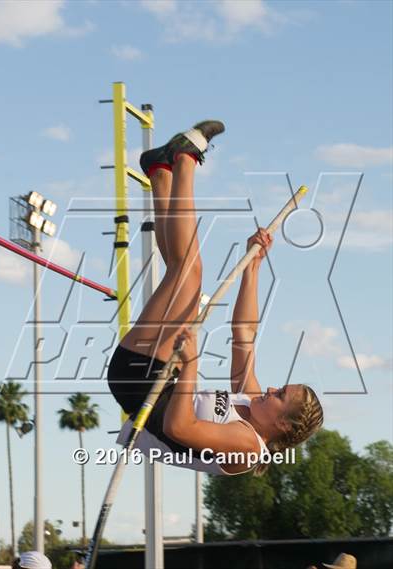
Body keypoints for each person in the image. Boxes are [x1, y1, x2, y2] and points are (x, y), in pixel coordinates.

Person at [108, 120, 324, 475]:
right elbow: (243, 335)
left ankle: (185, 160)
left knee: (188, 274)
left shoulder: (247, 448)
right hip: (158, 377)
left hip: (140, 387)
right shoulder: (251, 402)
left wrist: (191, 364)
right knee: (182, 275)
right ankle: (161, 170)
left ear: (283, 425)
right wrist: (253, 266)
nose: (271, 388)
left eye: (281, 394)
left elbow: (181, 429)